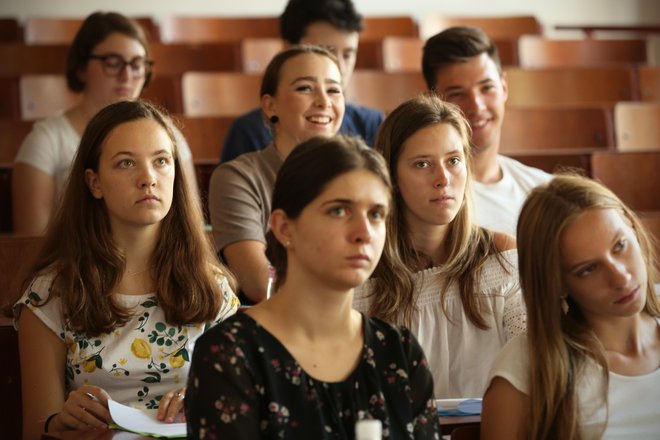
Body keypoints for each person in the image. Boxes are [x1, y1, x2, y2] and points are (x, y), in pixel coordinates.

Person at [187, 135, 441, 439]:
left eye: (376, 214)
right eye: (338, 211)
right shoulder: (229, 354)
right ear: (284, 227)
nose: (364, 232)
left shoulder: (399, 352)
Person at [14, 100, 239, 440]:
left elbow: (243, 410)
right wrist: (57, 423)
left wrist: (209, 402)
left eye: (161, 161)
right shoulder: (52, 293)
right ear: (94, 183)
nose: (148, 178)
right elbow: (35, 430)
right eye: (125, 163)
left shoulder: (213, 286)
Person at [354, 95, 526, 399]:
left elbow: (531, 380)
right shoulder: (362, 272)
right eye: (422, 164)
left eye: (454, 161)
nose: (443, 178)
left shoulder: (504, 260)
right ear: (391, 176)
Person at [482, 174, 660, 439]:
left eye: (620, 245)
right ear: (558, 283)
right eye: (588, 269)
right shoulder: (527, 365)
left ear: (632, 225)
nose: (620, 277)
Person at [12, 11, 198, 235]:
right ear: (81, 68)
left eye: (137, 64)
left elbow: (190, 224)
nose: (127, 75)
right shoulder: (45, 141)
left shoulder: (170, 134)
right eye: (113, 63)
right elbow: (31, 242)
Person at [209, 45, 345, 304]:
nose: (324, 101)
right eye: (305, 88)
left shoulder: (359, 177)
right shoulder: (238, 177)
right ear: (270, 105)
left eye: (334, 90)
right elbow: (261, 284)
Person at [422, 26, 550, 236]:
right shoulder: (431, 200)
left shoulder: (543, 188)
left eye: (487, 88)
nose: (477, 106)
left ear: (504, 88)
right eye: (457, 94)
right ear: (432, 101)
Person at [220, 0, 383, 163]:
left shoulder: (372, 124)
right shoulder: (249, 131)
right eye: (325, 52)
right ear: (289, 48)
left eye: (347, 55)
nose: (338, 66)